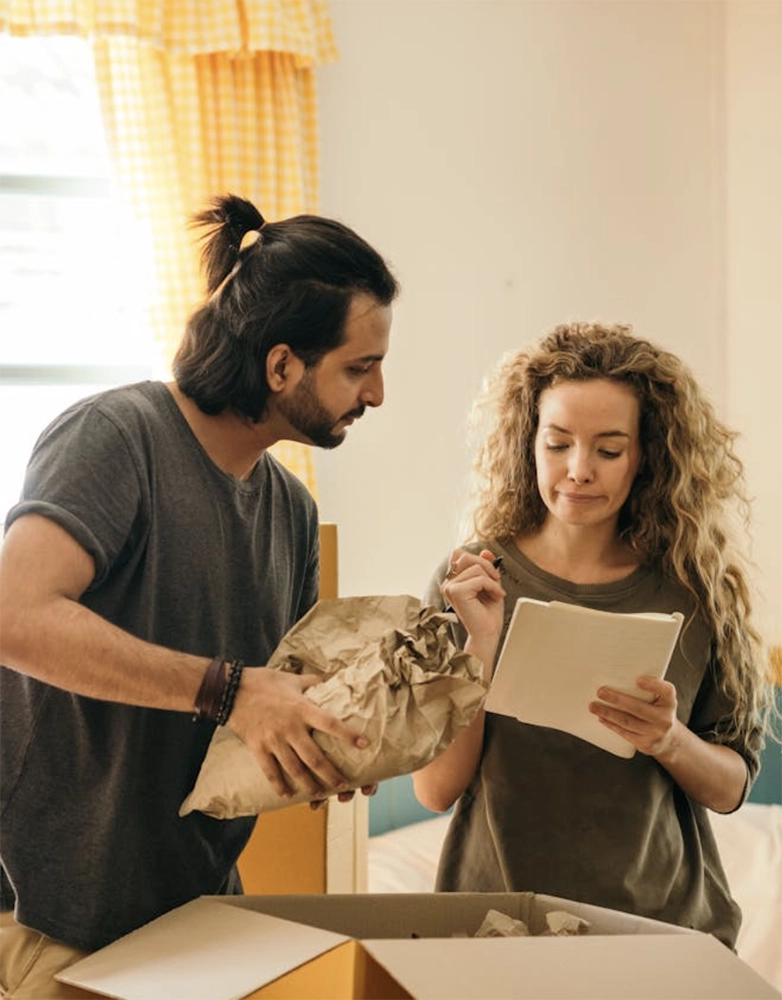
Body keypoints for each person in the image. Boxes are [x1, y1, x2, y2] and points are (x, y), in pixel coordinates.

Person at [0, 193, 398, 994]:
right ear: (281, 364)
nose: (378, 393)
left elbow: (260, 710)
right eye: (360, 366)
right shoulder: (117, 437)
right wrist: (230, 690)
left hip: (196, 917)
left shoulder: (291, 510)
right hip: (48, 918)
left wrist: (329, 739)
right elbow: (13, 616)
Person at [413, 321, 775, 948]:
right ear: (529, 444)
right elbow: (434, 790)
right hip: (500, 928)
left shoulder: (693, 591)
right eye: (558, 444)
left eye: (608, 450)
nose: (579, 471)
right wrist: (481, 646)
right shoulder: (470, 581)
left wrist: (668, 739)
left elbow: (731, 786)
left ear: (646, 456)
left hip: (663, 930)